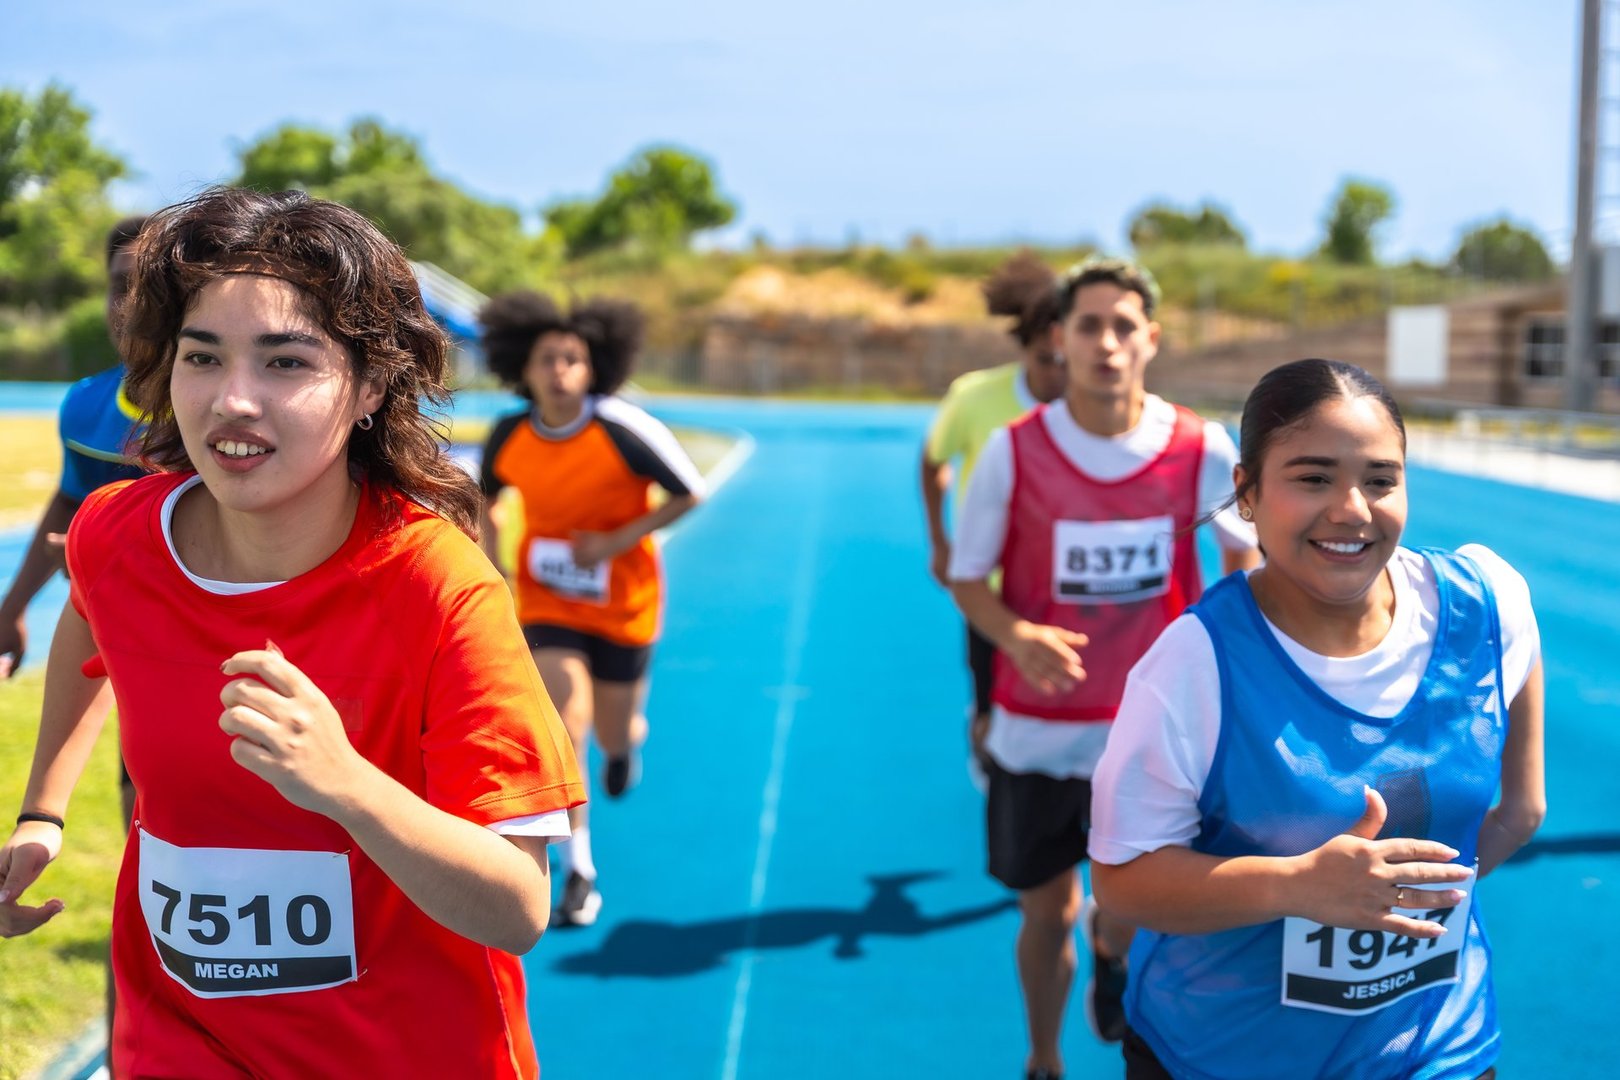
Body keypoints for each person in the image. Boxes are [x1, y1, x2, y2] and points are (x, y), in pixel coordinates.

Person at [0, 188, 584, 1078]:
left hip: (408, 1053)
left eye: (285, 363)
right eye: (203, 356)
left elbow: (516, 906)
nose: (233, 400)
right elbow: (89, 618)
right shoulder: (116, 533)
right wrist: (43, 812)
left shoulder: (439, 585)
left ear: (372, 385)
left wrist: (345, 784)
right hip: (179, 1042)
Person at [1089, 358, 1545, 1080]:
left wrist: (1382, 908)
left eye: (1380, 479)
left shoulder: (1491, 601)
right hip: (1224, 1054)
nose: (1352, 509)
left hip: (1437, 1051)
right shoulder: (1192, 665)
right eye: (1312, 478)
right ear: (1247, 493)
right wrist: (1297, 884)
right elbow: (1121, 882)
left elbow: (1522, 811)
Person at [949, 256, 1259, 1080]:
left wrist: (1229, 656)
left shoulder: (1198, 447)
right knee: (1045, 910)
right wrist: (1017, 636)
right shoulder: (1015, 452)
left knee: (1127, 907)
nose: (1107, 342)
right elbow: (966, 580)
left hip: (1158, 732)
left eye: (1124, 325)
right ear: (1061, 339)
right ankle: (1044, 1057)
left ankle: (1113, 959)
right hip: (1039, 735)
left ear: (1151, 339)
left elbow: (1249, 564)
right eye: (1089, 325)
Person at [478, 290, 704, 928]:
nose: (558, 372)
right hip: (549, 604)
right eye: (546, 359)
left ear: (593, 368)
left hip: (624, 604)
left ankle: (627, 744)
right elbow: (488, 498)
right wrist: (497, 562)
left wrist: (616, 541)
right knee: (563, 720)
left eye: (571, 360)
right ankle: (579, 867)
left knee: (612, 730)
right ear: (523, 368)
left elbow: (691, 492)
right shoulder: (509, 434)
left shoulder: (622, 430)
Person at [921, 251, 1067, 780]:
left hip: (1070, 588)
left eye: (1065, 362)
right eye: (1045, 361)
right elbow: (933, 460)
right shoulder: (976, 397)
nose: (1057, 374)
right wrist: (940, 541)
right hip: (994, 590)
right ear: (1025, 348)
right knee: (992, 711)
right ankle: (987, 751)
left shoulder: (1093, 407)